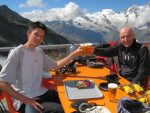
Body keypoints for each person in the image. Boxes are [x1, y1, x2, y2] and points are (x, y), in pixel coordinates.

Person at [0, 21, 83, 113]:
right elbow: (2, 83)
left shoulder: (39, 52)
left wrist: (75, 53)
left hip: (41, 92)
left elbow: (55, 65)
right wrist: (26, 100)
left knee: (71, 100)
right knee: (63, 110)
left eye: (42, 36)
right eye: (36, 34)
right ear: (29, 33)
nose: (39, 38)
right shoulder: (17, 53)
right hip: (25, 99)